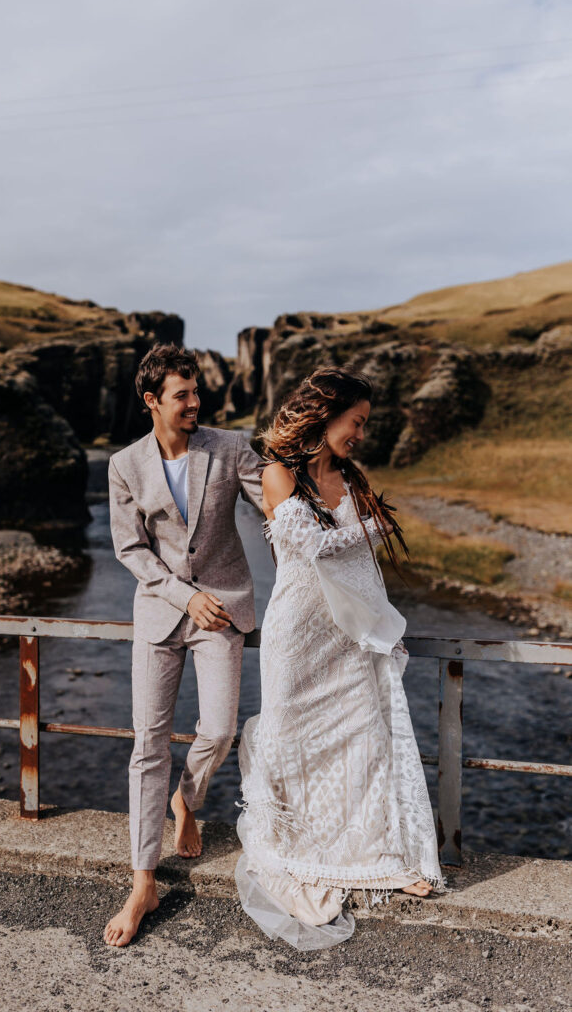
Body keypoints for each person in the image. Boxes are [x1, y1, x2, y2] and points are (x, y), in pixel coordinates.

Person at [235, 366, 445, 950]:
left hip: (348, 639)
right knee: (291, 739)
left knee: (365, 741)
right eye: (356, 422)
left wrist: (384, 628)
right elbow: (313, 547)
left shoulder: (353, 480)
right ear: (325, 414)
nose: (360, 435)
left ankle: (379, 857)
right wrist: (373, 524)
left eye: (364, 425)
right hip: (298, 636)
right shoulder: (277, 475)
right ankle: (301, 850)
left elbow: (359, 570)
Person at [104, 343, 264, 947]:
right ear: (152, 402)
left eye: (197, 392)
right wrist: (180, 594)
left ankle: (187, 799)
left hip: (224, 609)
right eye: (183, 395)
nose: (196, 402)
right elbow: (130, 549)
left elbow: (273, 505)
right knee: (148, 743)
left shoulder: (228, 448)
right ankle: (143, 880)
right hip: (161, 614)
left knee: (220, 729)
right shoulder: (124, 465)